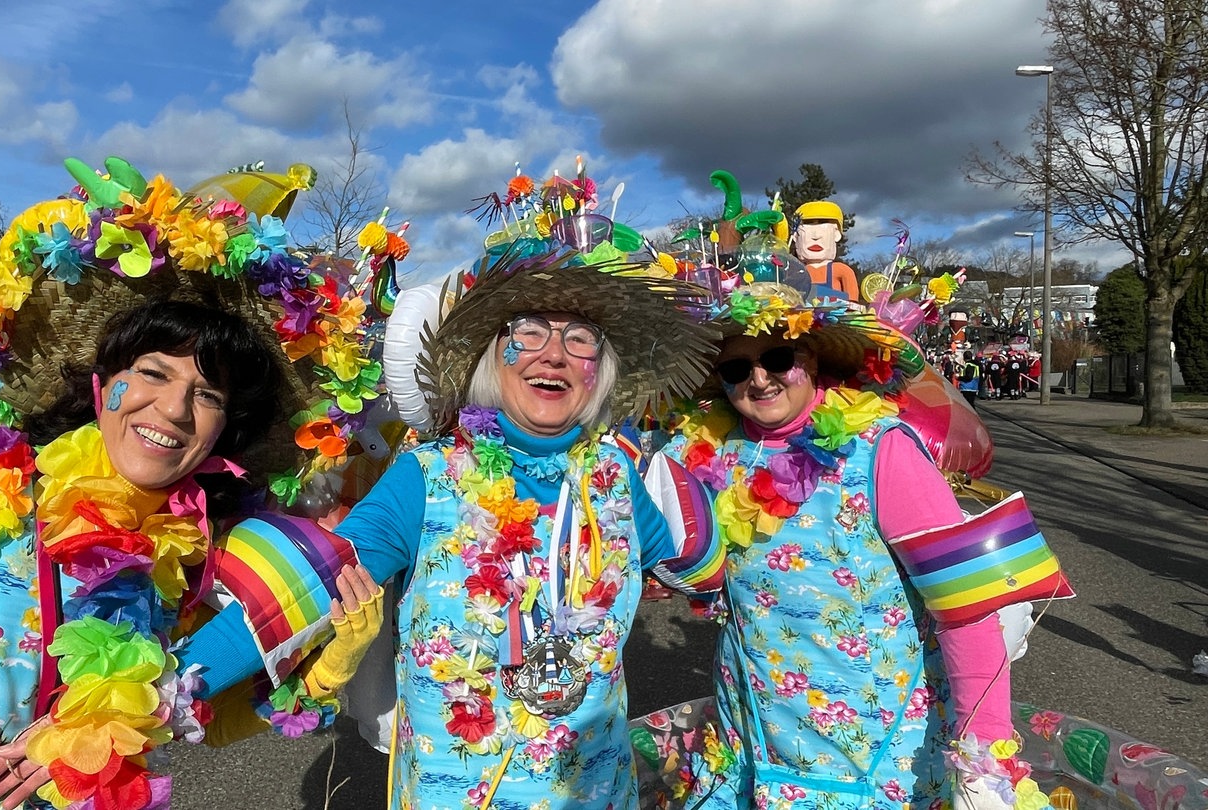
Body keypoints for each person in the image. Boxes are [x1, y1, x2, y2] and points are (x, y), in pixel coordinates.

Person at [0, 158, 388, 810]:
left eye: (205, 394)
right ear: (102, 385)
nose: (174, 410)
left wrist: (327, 668)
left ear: (222, 430)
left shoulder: (183, 557)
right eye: (151, 372)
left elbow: (195, 713)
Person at [179, 245, 725, 808]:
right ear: (493, 356)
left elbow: (699, 570)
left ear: (598, 370)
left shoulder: (619, 479)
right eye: (530, 331)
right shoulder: (428, 476)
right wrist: (175, 684)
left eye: (581, 337)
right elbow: (311, 586)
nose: (556, 355)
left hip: (593, 789)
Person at [661, 272, 1045, 810]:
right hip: (750, 735)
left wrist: (985, 758)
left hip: (874, 749)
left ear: (814, 360)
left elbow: (967, 604)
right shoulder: (703, 452)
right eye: (735, 367)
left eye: (778, 358)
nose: (759, 379)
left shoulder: (878, 448)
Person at [791, 200, 859, 302]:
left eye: (822, 233)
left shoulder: (842, 271)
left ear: (836, 235)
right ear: (795, 237)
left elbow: (853, 303)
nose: (815, 237)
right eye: (808, 234)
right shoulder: (796, 273)